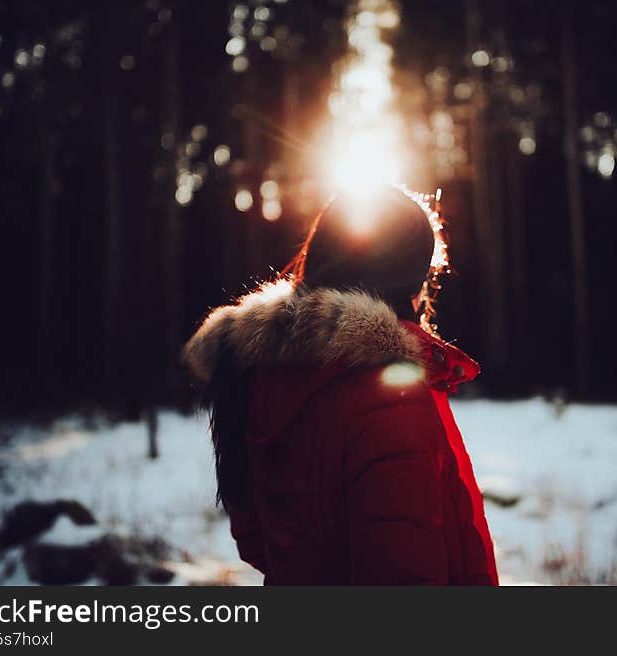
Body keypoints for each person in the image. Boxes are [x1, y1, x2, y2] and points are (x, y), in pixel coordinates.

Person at [182, 186, 498, 585]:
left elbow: (255, 538)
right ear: (408, 284)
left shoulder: (262, 378)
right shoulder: (388, 396)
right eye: (425, 278)